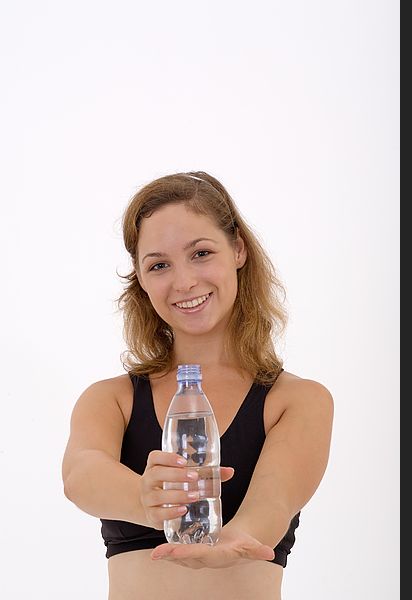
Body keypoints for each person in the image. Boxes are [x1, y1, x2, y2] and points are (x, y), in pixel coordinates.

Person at [62, 171, 334, 600]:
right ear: (140, 277)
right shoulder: (110, 399)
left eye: (201, 253)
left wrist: (236, 539)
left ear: (238, 249)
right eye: (159, 265)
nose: (184, 281)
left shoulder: (297, 401)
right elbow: (81, 475)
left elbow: (273, 505)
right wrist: (146, 497)